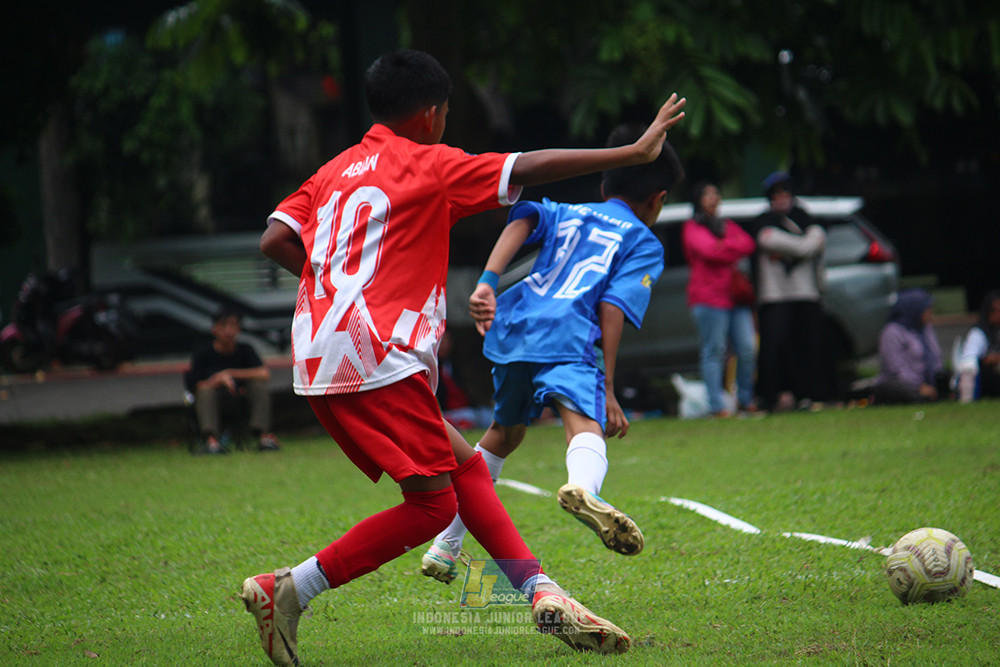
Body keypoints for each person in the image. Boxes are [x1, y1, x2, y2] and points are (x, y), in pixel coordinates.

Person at [241, 49, 687, 665]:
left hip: (319, 357)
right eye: (447, 112)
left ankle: (541, 593)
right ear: (430, 115)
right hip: (379, 356)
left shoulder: (333, 170)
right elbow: (529, 166)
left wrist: (337, 293)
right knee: (432, 507)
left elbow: (276, 238)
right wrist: (631, 154)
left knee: (469, 470)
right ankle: (289, 588)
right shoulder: (428, 164)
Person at [420, 124, 683, 580]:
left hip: (516, 327)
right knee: (586, 424)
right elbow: (612, 307)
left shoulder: (572, 211)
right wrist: (610, 389)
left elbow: (524, 215)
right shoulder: (643, 242)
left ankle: (446, 544)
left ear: (604, 186)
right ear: (658, 199)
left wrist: (488, 280)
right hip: (568, 334)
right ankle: (582, 488)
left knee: (504, 434)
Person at [747, 172, 838, 412]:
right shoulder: (763, 222)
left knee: (810, 346)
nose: (781, 199)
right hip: (774, 295)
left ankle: (812, 394)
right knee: (775, 347)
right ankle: (774, 397)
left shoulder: (807, 218)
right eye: (776, 195)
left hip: (806, 293)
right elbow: (772, 241)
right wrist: (801, 245)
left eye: (785, 193)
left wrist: (794, 247)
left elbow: (812, 244)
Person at [681, 181, 757, 416]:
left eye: (716, 193)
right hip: (708, 299)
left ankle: (745, 399)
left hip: (735, 297)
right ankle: (716, 406)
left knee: (748, 348)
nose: (713, 198)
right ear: (698, 200)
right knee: (714, 351)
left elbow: (748, 243)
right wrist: (729, 247)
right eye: (707, 194)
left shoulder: (727, 224)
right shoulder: (692, 227)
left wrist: (723, 246)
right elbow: (708, 250)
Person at [184, 307, 280, 453]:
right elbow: (193, 384)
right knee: (205, 391)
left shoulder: (245, 350)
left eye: (233, 326)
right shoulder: (203, 353)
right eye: (223, 326)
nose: (228, 331)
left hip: (240, 398)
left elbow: (264, 373)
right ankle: (212, 441)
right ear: (214, 329)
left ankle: (264, 436)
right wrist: (217, 380)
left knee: (258, 386)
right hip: (213, 400)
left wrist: (230, 374)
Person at [871, 288, 944, 404]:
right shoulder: (892, 332)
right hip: (903, 384)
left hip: (927, 383)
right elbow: (896, 369)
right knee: (895, 389)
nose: (930, 314)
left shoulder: (925, 329)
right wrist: (919, 386)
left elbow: (936, 355)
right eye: (927, 310)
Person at [436, 329, 493, 430]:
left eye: (447, 341)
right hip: (447, 413)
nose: (445, 345)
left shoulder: (454, 364)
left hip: (467, 410)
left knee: (490, 416)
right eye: (441, 342)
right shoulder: (431, 369)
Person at [956, 289, 1000, 402]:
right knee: (969, 369)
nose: (998, 315)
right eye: (994, 311)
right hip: (982, 378)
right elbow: (969, 361)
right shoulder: (978, 332)